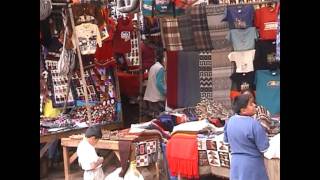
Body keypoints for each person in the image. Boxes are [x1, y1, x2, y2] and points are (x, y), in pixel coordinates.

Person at [224, 94, 269, 180]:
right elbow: (264, 148)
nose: (255, 105)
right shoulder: (254, 124)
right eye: (251, 104)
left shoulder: (229, 121)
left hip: (236, 164)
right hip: (252, 165)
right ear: (243, 110)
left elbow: (226, 141)